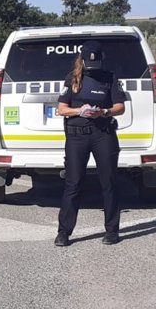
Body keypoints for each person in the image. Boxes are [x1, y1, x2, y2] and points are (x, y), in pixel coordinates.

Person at [53, 40, 127, 247]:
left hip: (103, 133)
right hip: (77, 136)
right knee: (73, 183)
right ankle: (64, 232)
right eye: (89, 62)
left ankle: (112, 230)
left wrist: (104, 112)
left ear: (101, 59)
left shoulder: (109, 77)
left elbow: (120, 107)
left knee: (109, 182)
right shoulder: (73, 77)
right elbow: (62, 109)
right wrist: (80, 111)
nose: (93, 66)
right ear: (82, 60)